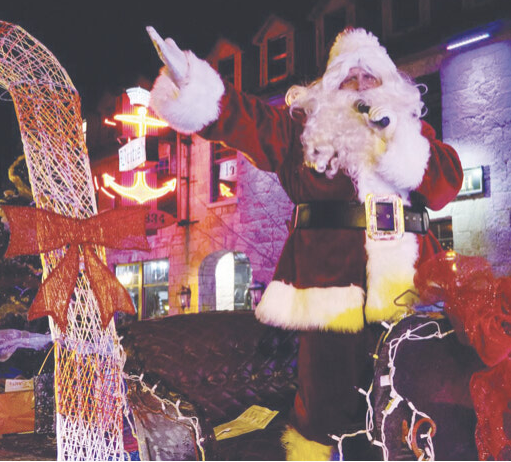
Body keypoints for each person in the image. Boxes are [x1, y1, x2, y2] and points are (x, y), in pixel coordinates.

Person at [146, 26, 463, 460]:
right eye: (348, 78)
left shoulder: (412, 132)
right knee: (327, 411)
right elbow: (248, 120)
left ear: (388, 83)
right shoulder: (303, 131)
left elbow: (447, 185)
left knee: (416, 403)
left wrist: (399, 139)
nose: (360, 85)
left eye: (369, 76)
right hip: (330, 295)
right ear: (330, 87)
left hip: (410, 295)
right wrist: (193, 84)